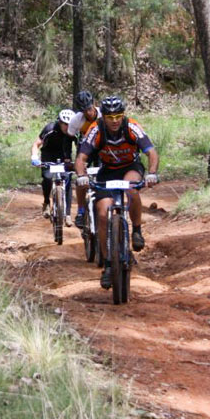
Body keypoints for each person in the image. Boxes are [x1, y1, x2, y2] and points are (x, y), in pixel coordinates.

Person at [74, 96, 160, 289]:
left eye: (118, 116)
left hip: (130, 167)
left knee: (131, 189)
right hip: (107, 171)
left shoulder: (131, 127)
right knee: (103, 213)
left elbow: (151, 152)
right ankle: (108, 264)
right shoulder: (95, 129)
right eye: (110, 117)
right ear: (103, 116)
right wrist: (81, 175)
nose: (114, 121)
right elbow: (81, 157)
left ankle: (136, 231)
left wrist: (152, 173)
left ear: (123, 115)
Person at [31, 109, 77, 226]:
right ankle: (46, 202)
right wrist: (34, 157)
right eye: (65, 124)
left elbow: (81, 146)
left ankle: (67, 214)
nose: (67, 127)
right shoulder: (50, 129)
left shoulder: (74, 131)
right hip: (48, 155)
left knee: (67, 180)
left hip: (64, 156)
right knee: (47, 178)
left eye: (70, 124)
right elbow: (36, 144)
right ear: (59, 123)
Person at [67, 90, 102, 230]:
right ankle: (81, 211)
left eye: (89, 108)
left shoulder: (103, 115)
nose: (88, 112)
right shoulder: (76, 120)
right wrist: (67, 157)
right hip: (85, 149)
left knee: (104, 174)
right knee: (81, 179)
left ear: (94, 104)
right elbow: (68, 139)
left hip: (101, 148)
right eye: (84, 110)